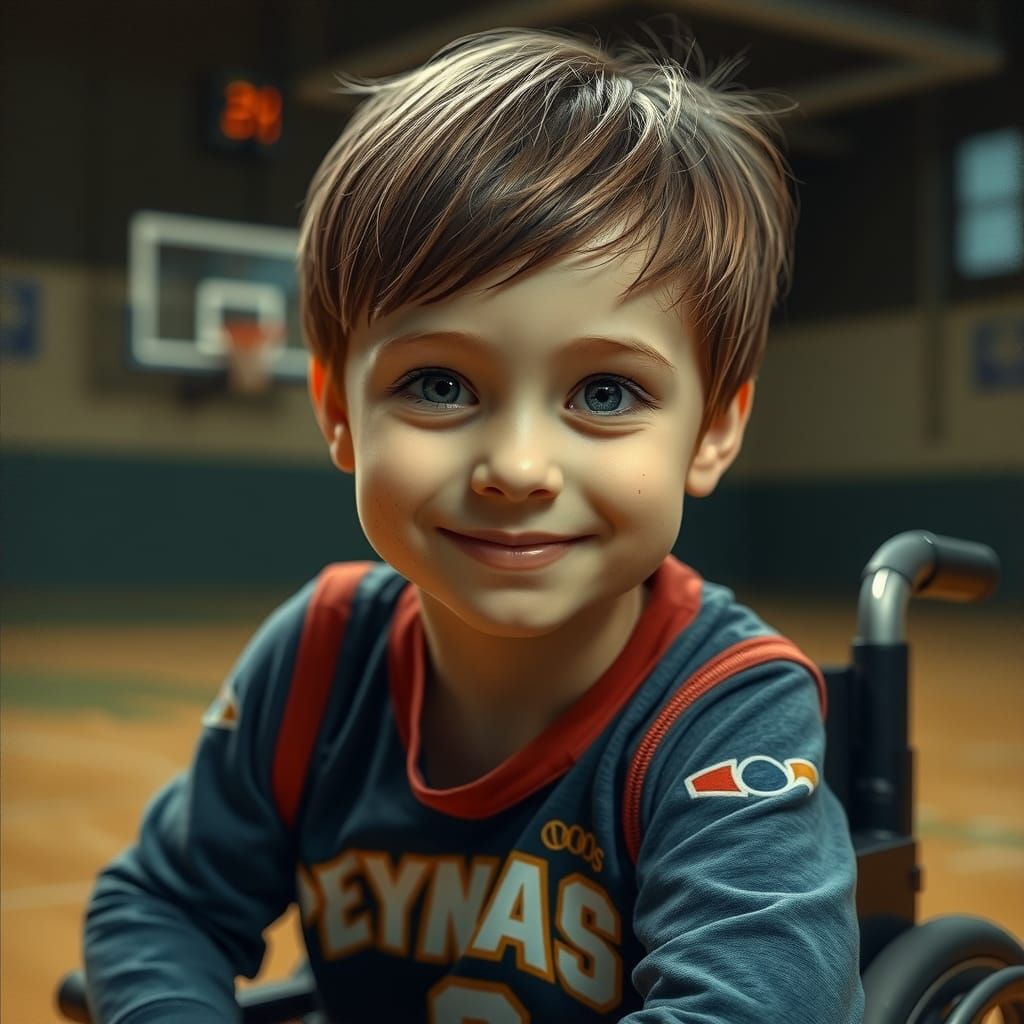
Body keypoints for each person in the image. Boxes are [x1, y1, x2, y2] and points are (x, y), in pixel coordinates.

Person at [84, 22, 863, 1023]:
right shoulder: (319, 659)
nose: (519, 468)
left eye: (607, 394)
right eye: (440, 384)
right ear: (336, 409)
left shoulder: (721, 712)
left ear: (712, 432)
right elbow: (158, 904)